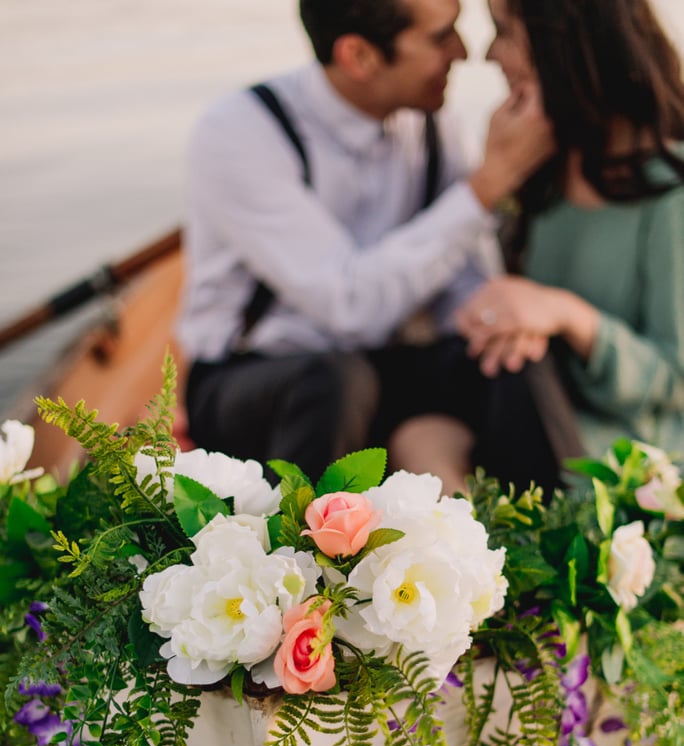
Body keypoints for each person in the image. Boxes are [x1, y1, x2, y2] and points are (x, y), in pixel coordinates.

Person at [177, 0, 554, 483]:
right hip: (255, 379)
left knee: (513, 357)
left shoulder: (433, 122)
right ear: (359, 56)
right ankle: (299, 554)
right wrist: (486, 187)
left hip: (384, 366)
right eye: (441, 37)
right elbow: (349, 308)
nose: (463, 52)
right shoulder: (240, 131)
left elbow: (459, 281)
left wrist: (498, 319)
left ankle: (560, 537)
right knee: (334, 380)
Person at [393, 0, 684, 495]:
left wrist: (567, 316)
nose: (489, 55)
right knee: (417, 438)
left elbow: (675, 382)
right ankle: (483, 554)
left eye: (504, 32)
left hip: (618, 468)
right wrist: (497, 174)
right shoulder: (539, 179)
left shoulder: (670, 190)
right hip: (516, 413)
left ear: (567, 43)